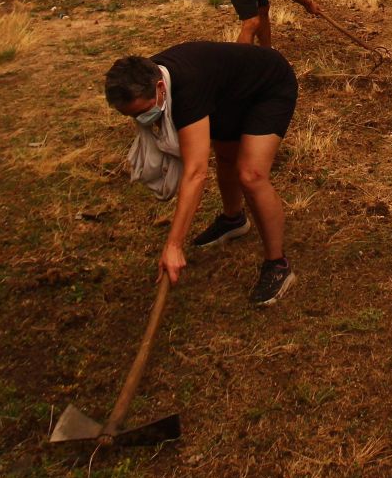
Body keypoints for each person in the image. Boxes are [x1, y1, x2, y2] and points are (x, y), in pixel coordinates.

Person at [104, 44, 299, 305]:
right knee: (226, 157)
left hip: (268, 86)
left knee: (251, 174)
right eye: (132, 116)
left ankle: (278, 264)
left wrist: (174, 245)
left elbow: (196, 173)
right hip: (227, 94)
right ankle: (234, 220)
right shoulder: (142, 76)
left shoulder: (187, 88)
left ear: (161, 88)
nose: (141, 120)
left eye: (143, 112)